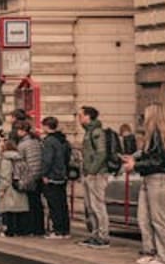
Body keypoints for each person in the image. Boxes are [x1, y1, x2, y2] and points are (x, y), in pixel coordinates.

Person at [128, 103, 165, 264]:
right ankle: (150, 251)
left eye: (145, 115)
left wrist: (135, 165)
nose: (143, 118)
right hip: (149, 178)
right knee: (144, 217)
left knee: (160, 219)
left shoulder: (160, 135)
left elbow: (158, 161)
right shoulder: (155, 135)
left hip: (158, 178)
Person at [74, 106, 114, 248]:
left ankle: (102, 236)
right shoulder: (90, 132)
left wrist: (91, 170)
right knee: (91, 206)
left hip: (96, 174)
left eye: (80, 115)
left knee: (97, 205)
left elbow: (101, 153)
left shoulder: (96, 132)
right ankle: (95, 234)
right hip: (91, 173)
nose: (78, 118)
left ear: (88, 116)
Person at [39, 115, 72, 239]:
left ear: (47, 127)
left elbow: (47, 160)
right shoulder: (63, 139)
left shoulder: (49, 141)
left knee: (54, 204)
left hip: (52, 176)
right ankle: (65, 230)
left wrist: (44, 174)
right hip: (62, 175)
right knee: (62, 203)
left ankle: (57, 230)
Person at [13, 120, 46, 236]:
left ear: (22, 131)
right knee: (37, 204)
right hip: (38, 175)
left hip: (28, 176)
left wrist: (20, 181)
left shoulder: (22, 145)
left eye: (18, 130)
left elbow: (20, 164)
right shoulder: (37, 141)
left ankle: (31, 228)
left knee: (30, 205)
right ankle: (39, 228)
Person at [0, 134, 30, 235]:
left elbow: (5, 176)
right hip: (20, 185)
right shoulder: (19, 157)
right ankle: (21, 230)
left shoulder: (5, 159)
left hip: (10, 188)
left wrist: (2, 189)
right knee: (20, 210)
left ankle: (10, 231)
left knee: (10, 210)